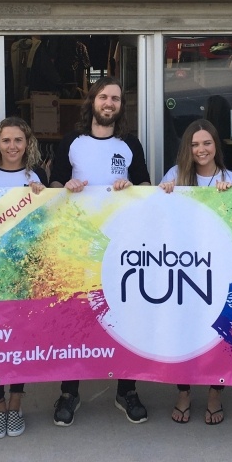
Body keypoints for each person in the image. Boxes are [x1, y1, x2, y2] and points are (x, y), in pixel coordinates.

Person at [48, 76, 152, 426]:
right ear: (92, 100)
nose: (110, 103)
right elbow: (54, 186)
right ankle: (69, 391)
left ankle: (127, 389)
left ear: (121, 107)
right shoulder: (71, 142)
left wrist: (131, 186)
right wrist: (67, 186)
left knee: (125, 315)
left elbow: (147, 188)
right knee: (76, 315)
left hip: (121, 246)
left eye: (116, 99)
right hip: (79, 244)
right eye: (104, 97)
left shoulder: (130, 144)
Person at [158, 119, 232, 425]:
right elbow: (159, 220)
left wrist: (231, 198)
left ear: (216, 146)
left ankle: (214, 393)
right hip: (183, 271)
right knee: (185, 331)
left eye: (207, 143)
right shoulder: (175, 176)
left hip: (219, 272)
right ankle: (183, 392)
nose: (201, 149)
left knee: (216, 332)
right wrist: (164, 192)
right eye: (195, 144)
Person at [0, 117, 46, 439]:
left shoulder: (36, 176)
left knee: (20, 336)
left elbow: (46, 219)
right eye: (6, 141)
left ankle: (16, 401)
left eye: (19, 140)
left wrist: (43, 194)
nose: (13, 146)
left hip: (24, 268)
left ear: (27, 143)